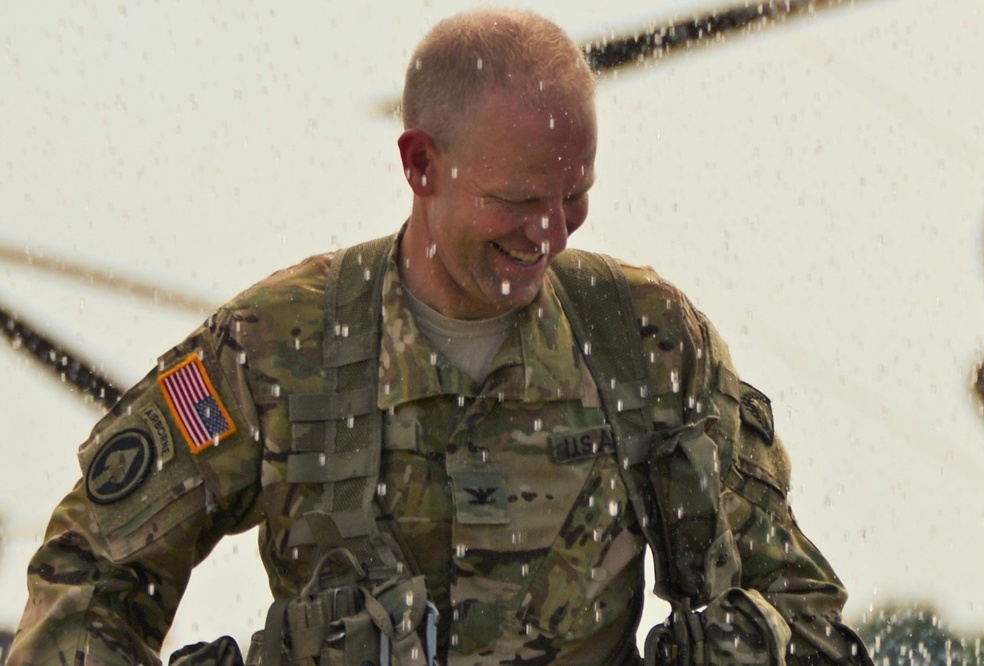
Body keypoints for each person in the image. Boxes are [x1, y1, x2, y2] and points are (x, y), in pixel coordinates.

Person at [9, 9, 873, 666]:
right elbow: (87, 573)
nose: (551, 234)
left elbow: (802, 609)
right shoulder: (274, 349)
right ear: (420, 165)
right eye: (518, 199)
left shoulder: (642, 343)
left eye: (574, 196)